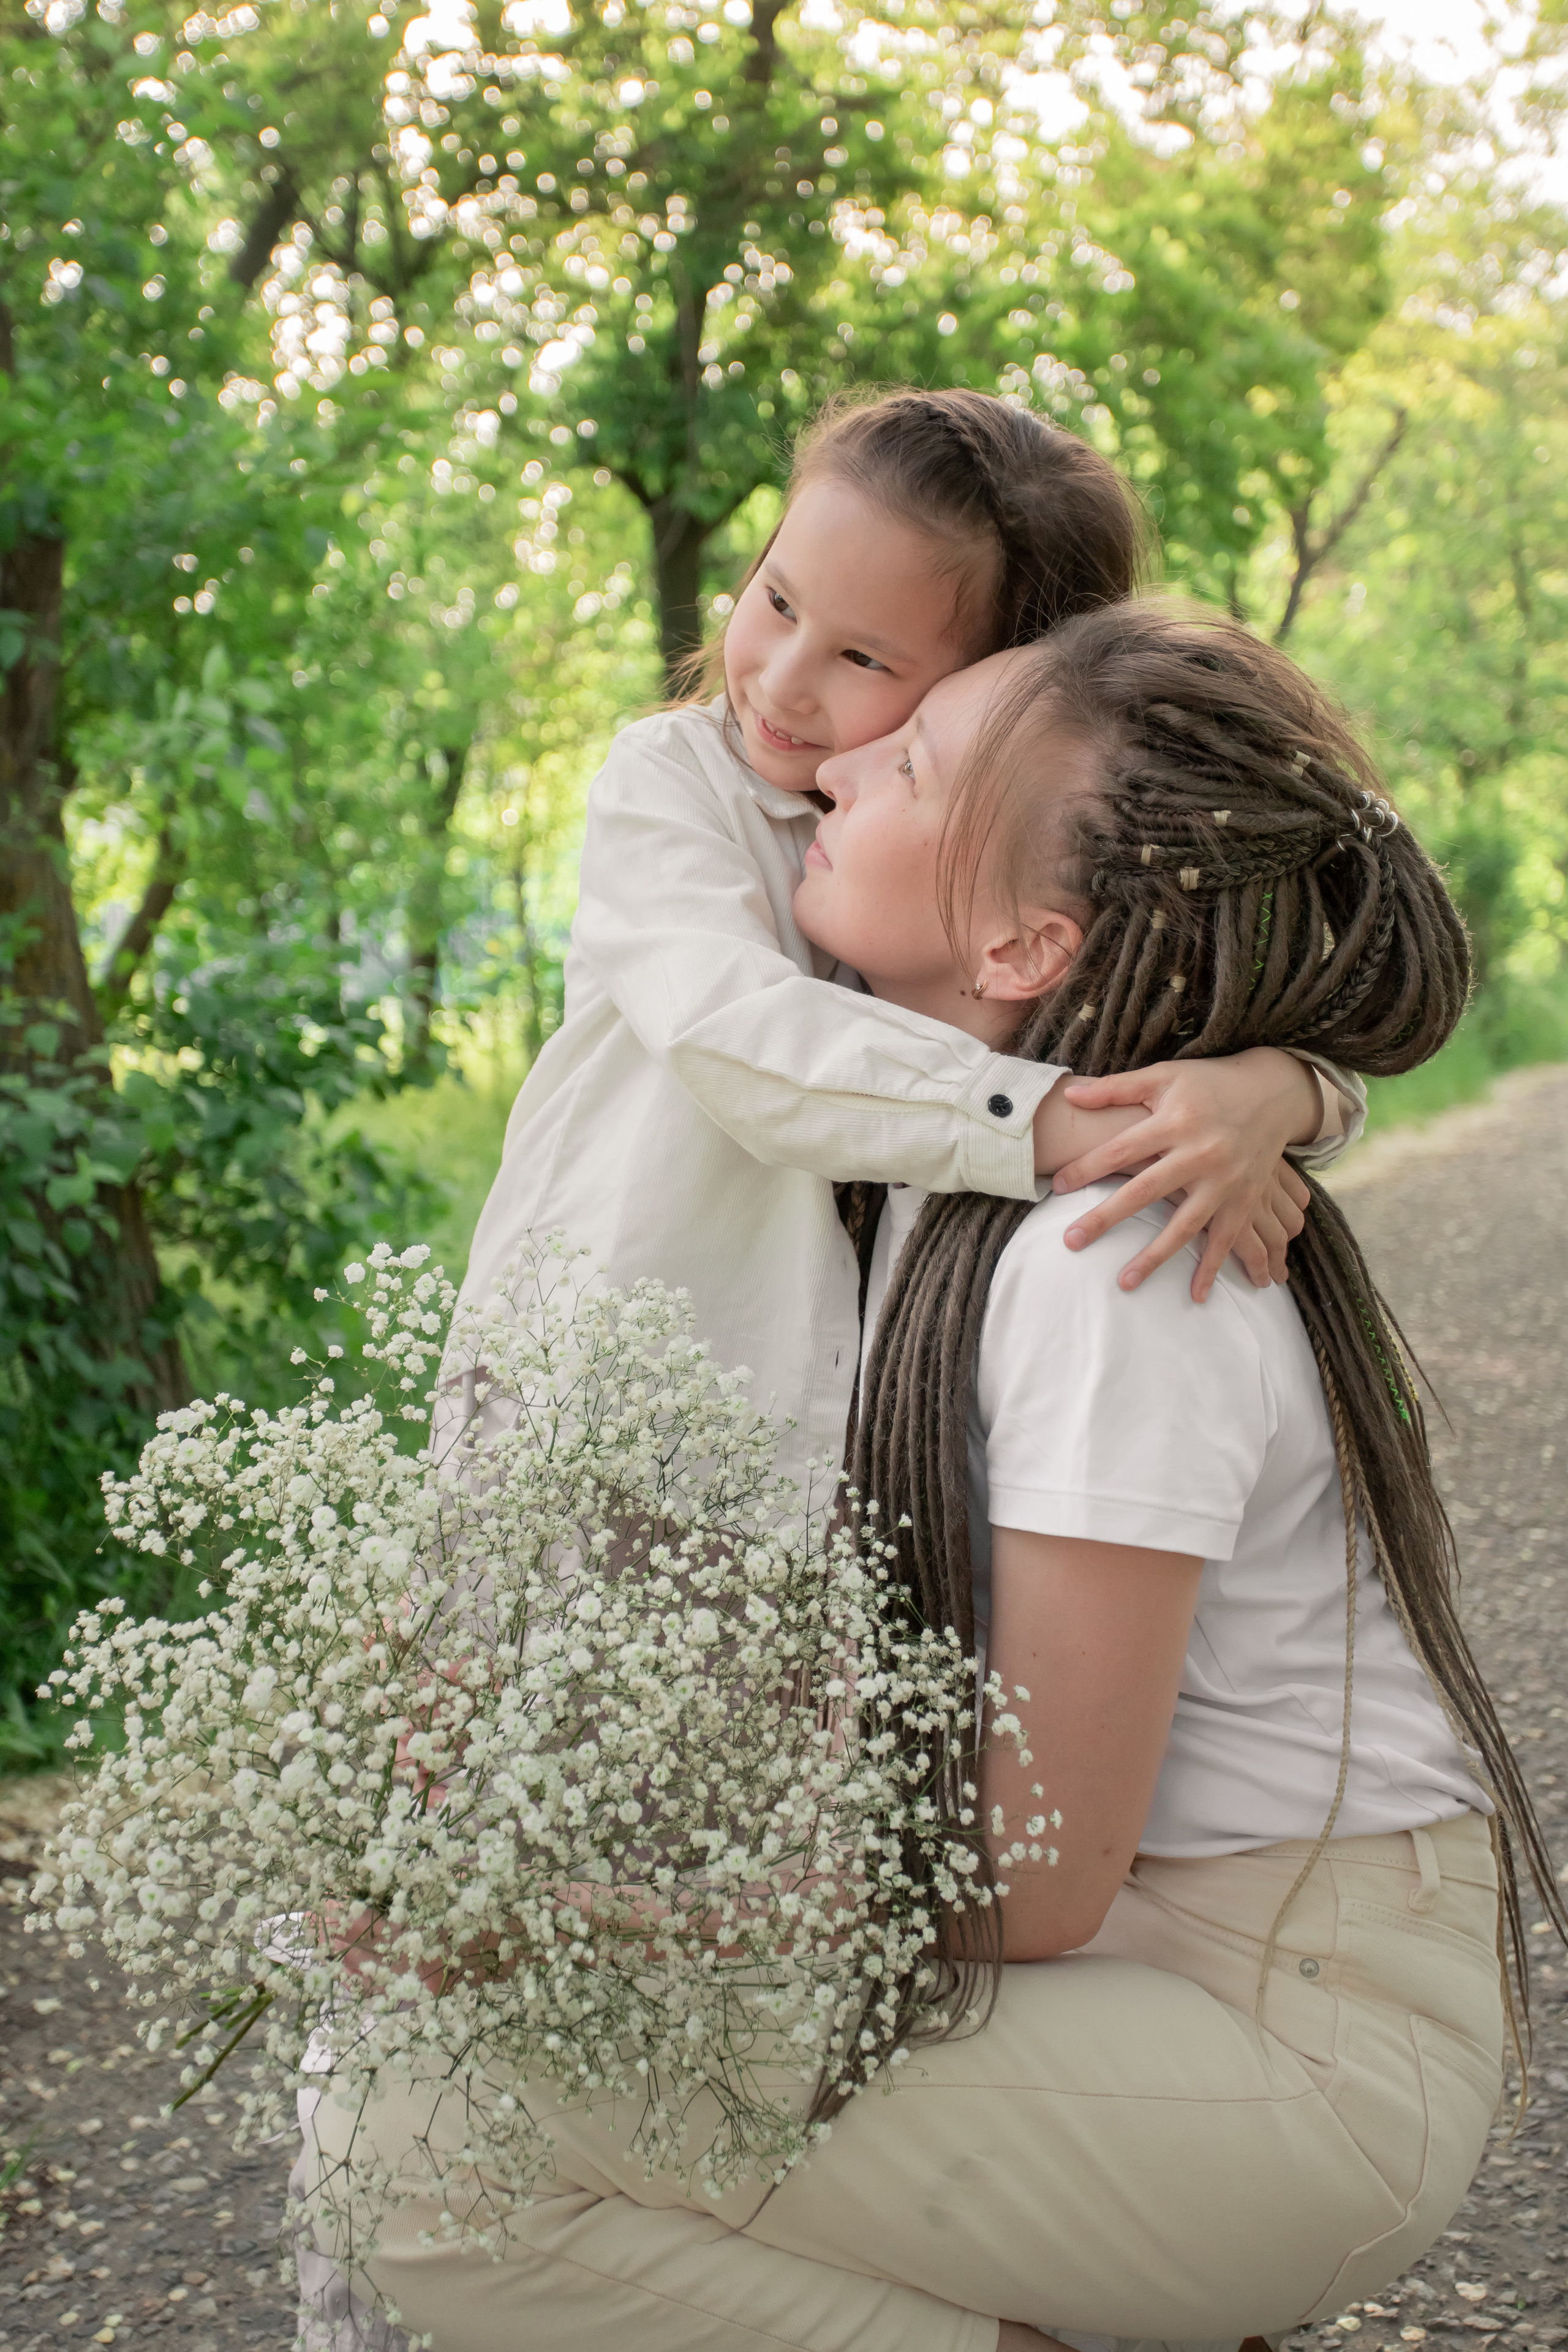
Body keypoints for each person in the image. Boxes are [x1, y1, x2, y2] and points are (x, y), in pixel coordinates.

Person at [299, 600, 1565, 2351]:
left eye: (915, 760)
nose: (838, 765)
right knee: (472, 2103)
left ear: (1028, 943)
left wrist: (580, 1925)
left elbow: (1026, 1878)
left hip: (1291, 2038)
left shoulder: (1111, 1273)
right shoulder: (943, 1163)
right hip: (1150, 1966)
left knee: (429, 2140)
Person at [440, 390, 1363, 1498]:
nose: (783, 679)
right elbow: (740, 1039)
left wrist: (1279, 1092)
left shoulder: (995, 867)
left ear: (997, 686)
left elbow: (1165, 979)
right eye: (777, 599)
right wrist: (1073, 1121)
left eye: (864, 659)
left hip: (828, 1463)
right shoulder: (673, 786)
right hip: (594, 1407)